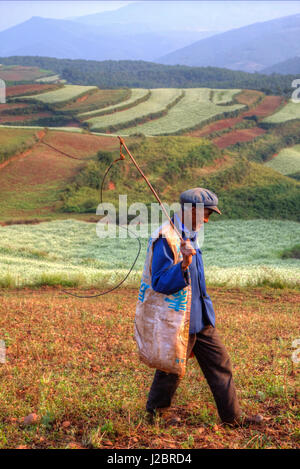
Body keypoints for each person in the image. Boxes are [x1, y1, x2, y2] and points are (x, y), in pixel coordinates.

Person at [141, 187, 263, 427]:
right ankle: (156, 414)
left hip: (200, 318)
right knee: (171, 369)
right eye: (205, 213)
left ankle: (232, 417)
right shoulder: (166, 238)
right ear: (190, 211)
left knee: (220, 363)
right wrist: (183, 265)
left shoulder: (189, 235)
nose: (207, 219)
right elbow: (159, 282)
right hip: (179, 319)